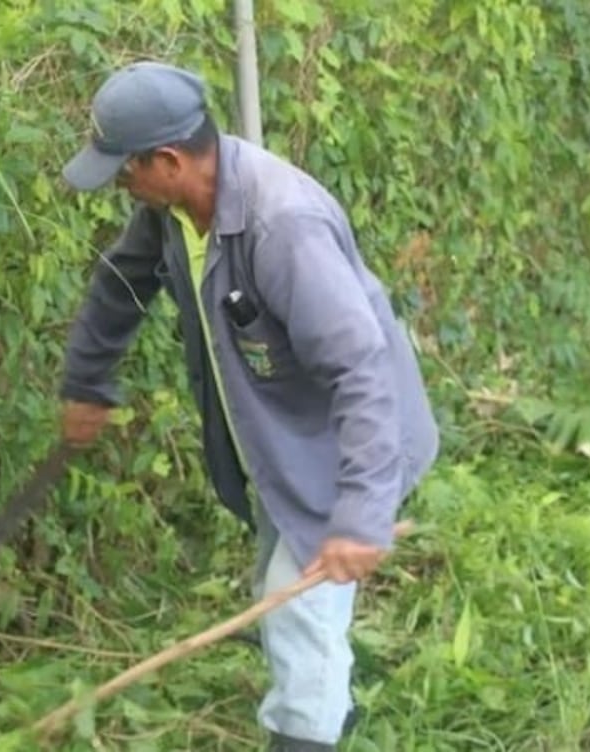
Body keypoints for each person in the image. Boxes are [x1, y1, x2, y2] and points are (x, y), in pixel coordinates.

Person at [57, 61, 439, 750]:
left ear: (167, 160)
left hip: (340, 446)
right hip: (280, 440)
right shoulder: (177, 210)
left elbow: (362, 369)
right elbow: (120, 284)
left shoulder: (281, 226)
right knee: (289, 592)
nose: (120, 184)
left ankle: (305, 732)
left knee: (299, 610)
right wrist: (88, 383)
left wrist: (359, 511)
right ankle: (325, 709)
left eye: (124, 170)